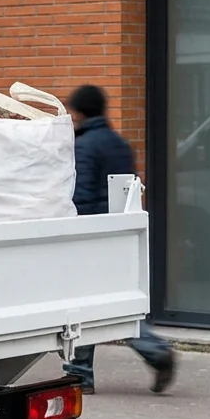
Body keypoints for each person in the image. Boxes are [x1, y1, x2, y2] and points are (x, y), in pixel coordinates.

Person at [63, 85, 174, 394]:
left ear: (81, 112)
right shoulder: (119, 143)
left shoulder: (83, 146)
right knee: (105, 305)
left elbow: (80, 196)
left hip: (90, 235)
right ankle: (80, 372)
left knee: (84, 304)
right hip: (116, 235)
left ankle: (81, 373)